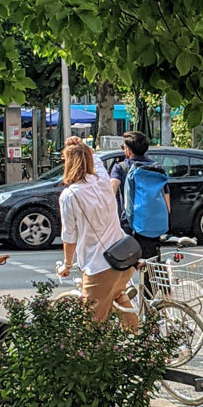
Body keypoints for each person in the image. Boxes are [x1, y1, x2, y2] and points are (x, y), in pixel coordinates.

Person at [57, 136, 136, 326]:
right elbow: (97, 160)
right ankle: (142, 342)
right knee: (118, 297)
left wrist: (67, 265)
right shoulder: (102, 180)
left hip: (100, 266)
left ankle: (106, 353)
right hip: (124, 257)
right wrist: (83, 146)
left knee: (92, 325)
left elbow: (69, 236)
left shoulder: (70, 195)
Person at [110, 130, 170, 264]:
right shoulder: (157, 168)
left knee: (122, 265)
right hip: (153, 224)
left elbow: (110, 193)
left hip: (129, 224)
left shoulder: (121, 167)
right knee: (151, 265)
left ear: (129, 150)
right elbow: (167, 201)